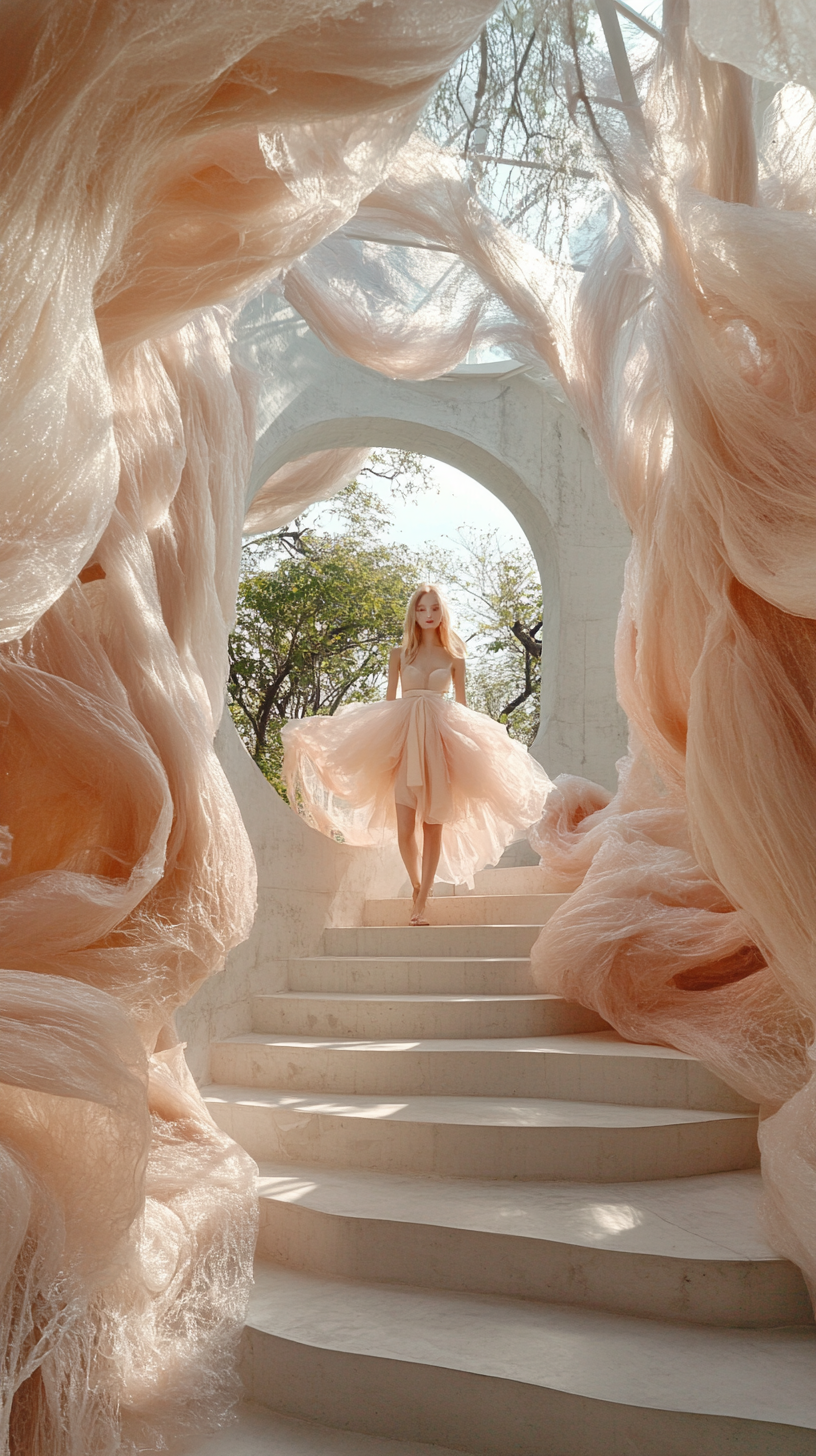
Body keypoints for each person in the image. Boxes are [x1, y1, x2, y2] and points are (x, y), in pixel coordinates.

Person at [281, 583, 552, 922]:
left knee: (433, 824)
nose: (428, 615)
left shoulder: (454, 658)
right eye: (422, 609)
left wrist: (474, 749)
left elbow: (463, 708)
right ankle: (416, 884)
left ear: (442, 613)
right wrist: (374, 740)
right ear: (414, 613)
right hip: (405, 740)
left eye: (434, 609)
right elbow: (390, 702)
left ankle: (422, 900)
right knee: (405, 828)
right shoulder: (400, 654)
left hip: (439, 745)